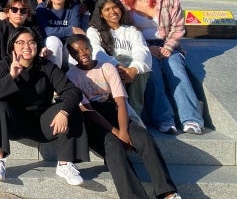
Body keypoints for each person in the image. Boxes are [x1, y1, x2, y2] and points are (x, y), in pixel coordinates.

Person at [65, 34, 181, 199]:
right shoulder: (71, 76)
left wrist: (125, 131)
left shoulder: (107, 67)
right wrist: (117, 133)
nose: (82, 53)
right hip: (94, 120)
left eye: (85, 48)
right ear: (71, 55)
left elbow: (120, 102)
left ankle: (167, 192)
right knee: (113, 145)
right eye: (76, 52)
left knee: (143, 137)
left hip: (115, 111)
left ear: (91, 48)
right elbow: (89, 111)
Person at [0, 27, 88, 185]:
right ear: (12, 46)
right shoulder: (4, 65)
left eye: (31, 42)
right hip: (13, 124)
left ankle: (65, 164)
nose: (26, 46)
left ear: (37, 46)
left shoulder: (46, 66)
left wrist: (64, 113)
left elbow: (73, 91)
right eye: (21, 42)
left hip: (42, 124)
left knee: (71, 108)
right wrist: (12, 75)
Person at [122, 0, 205, 135]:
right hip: (142, 47)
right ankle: (164, 119)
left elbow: (178, 27)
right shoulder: (124, 4)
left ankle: (191, 119)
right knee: (153, 75)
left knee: (177, 72)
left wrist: (168, 47)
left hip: (168, 44)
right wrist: (146, 47)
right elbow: (124, 32)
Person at [86, 0, 151, 117]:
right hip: (108, 69)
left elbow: (142, 51)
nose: (112, 12)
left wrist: (133, 69)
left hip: (130, 70)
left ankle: (135, 116)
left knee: (142, 70)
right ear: (100, 14)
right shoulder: (94, 31)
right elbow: (96, 52)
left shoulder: (132, 30)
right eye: (107, 9)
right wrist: (117, 66)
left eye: (115, 7)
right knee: (122, 61)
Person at [0, 0, 47, 74]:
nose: (19, 13)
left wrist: (42, 50)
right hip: (4, 72)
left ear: (28, 14)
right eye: (14, 9)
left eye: (23, 10)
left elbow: (41, 45)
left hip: (30, 70)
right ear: (7, 13)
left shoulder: (33, 28)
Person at [35, 0, 84, 69]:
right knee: (54, 40)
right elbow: (46, 31)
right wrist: (71, 30)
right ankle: (54, 76)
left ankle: (75, 78)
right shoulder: (42, 8)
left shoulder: (74, 7)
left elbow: (76, 31)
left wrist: (71, 30)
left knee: (75, 42)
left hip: (67, 48)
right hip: (50, 47)